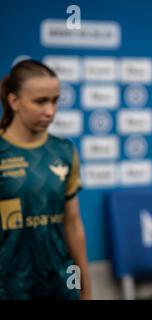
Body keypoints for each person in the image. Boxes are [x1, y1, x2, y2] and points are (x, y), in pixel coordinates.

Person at [0, 59, 91, 299]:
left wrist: (86, 289)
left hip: (61, 283)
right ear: (13, 101)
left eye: (55, 100)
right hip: (10, 288)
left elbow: (72, 224)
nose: (50, 111)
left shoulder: (64, 150)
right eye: (40, 101)